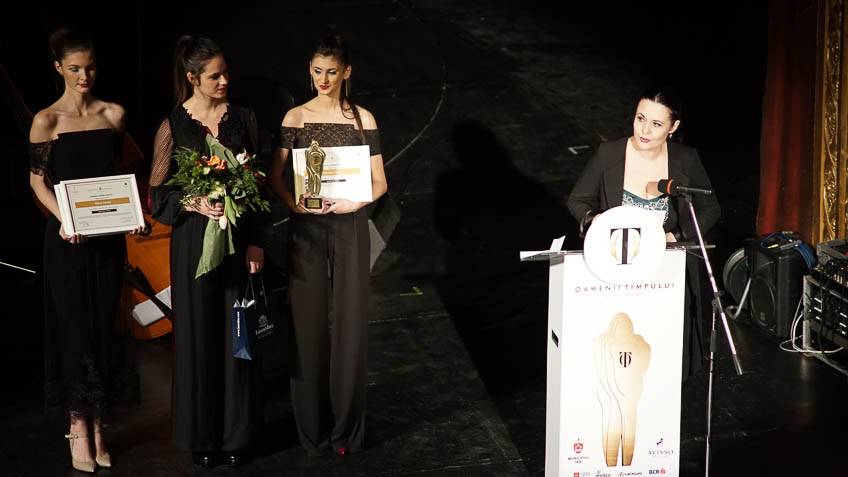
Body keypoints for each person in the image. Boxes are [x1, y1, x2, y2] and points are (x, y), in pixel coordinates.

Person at [28, 27, 145, 473]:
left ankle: (99, 425)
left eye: (91, 67)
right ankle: (78, 424)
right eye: (75, 68)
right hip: (67, 240)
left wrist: (132, 213)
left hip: (107, 239)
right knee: (74, 329)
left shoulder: (114, 114)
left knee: (103, 328)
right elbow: (37, 182)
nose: (84, 76)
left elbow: (118, 180)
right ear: (58, 68)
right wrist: (66, 218)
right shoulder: (47, 120)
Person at [148, 35, 267, 468]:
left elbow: (259, 183)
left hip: (237, 241)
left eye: (226, 73)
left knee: (238, 336)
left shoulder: (244, 118)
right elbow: (157, 196)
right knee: (198, 337)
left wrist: (256, 240)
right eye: (215, 76)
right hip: (193, 244)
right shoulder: (173, 126)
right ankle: (202, 435)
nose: (224, 81)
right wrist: (192, 201)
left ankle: (237, 435)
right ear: (192, 78)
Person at [269, 34, 387, 456]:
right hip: (308, 228)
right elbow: (275, 175)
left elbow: (380, 182)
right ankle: (312, 431)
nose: (323, 79)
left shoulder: (363, 120)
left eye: (332, 71)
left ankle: (347, 431)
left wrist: (357, 201)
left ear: (346, 72)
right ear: (310, 69)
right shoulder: (296, 117)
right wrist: (293, 205)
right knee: (307, 324)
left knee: (351, 324)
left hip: (349, 224)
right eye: (317, 70)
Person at [566, 87, 721, 379]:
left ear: (673, 127)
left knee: (662, 354)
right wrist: (598, 221)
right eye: (640, 119)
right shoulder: (609, 153)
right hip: (617, 269)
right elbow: (577, 200)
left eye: (656, 124)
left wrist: (674, 237)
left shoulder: (685, 159)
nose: (645, 130)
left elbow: (710, 208)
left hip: (665, 269)